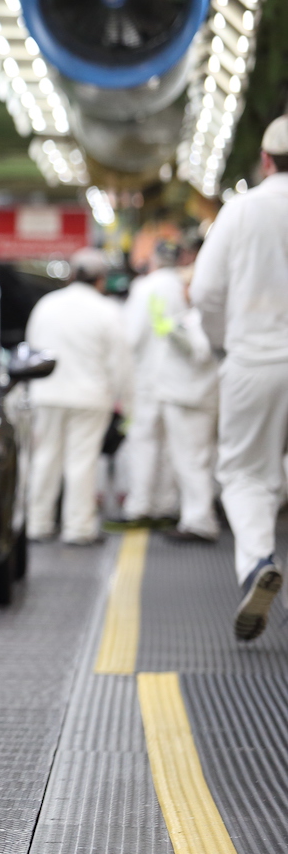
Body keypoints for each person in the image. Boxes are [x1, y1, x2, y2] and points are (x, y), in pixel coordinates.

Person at [192, 114, 288, 641]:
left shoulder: (243, 209)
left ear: (267, 161)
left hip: (257, 360)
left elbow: (205, 293)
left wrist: (224, 341)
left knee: (247, 472)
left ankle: (258, 563)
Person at [24, 248, 131, 545]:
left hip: (46, 393)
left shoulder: (47, 304)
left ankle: (38, 522)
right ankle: (78, 528)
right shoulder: (108, 310)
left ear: (72, 275)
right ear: (101, 280)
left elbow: (32, 346)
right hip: (90, 397)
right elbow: (120, 361)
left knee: (45, 458)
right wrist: (121, 397)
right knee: (81, 461)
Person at [122, 240, 218, 541]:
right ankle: (167, 504)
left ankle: (142, 505)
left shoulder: (146, 288)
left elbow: (132, 336)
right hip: (180, 384)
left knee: (149, 442)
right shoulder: (183, 288)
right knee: (175, 450)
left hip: (158, 381)